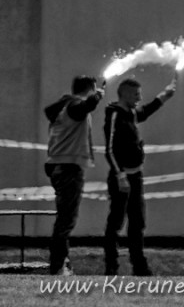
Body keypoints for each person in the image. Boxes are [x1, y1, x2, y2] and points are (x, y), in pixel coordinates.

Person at [103, 77, 176, 276]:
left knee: (137, 222)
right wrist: (120, 175)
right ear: (125, 94)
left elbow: (144, 112)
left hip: (136, 177)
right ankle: (111, 266)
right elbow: (109, 149)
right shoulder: (114, 114)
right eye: (136, 94)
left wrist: (164, 96)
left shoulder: (130, 113)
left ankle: (140, 267)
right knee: (116, 222)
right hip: (122, 177)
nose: (139, 97)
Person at [44, 75, 104, 275]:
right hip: (69, 168)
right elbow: (83, 108)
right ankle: (58, 266)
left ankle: (62, 263)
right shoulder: (75, 106)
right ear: (89, 89)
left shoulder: (64, 106)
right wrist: (96, 98)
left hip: (57, 166)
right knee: (66, 221)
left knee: (64, 219)